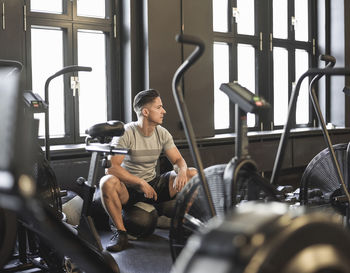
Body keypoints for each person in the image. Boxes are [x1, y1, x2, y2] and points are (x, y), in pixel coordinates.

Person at [99, 89, 197, 252]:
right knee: (106, 182)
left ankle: (183, 227)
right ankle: (121, 234)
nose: (164, 111)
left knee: (192, 173)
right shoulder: (126, 133)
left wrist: (181, 171)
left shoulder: (162, 133)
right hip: (128, 188)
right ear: (145, 111)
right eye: (159, 107)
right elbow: (112, 168)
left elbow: (178, 160)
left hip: (153, 183)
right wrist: (139, 182)